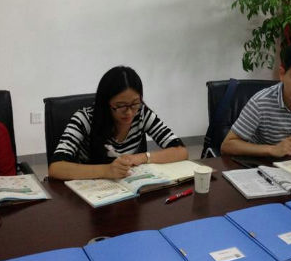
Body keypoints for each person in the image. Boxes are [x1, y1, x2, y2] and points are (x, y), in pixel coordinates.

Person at [48, 66, 188, 180]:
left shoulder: (141, 113)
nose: (129, 112)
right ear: (106, 103)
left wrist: (141, 157)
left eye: (135, 103)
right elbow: (56, 167)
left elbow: (181, 151)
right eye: (121, 106)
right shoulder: (84, 119)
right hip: (91, 192)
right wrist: (107, 170)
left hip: (129, 189)